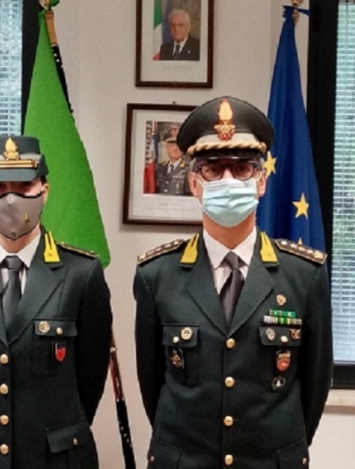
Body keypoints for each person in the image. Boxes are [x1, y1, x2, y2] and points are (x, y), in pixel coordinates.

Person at [134, 96, 333, 468]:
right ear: (194, 183)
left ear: (261, 181)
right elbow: (153, 386)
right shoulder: (157, 275)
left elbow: (314, 386)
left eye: (242, 169)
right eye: (213, 169)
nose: (228, 180)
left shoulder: (304, 275)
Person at [0, 135, 113, 468]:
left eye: (24, 186)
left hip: (54, 458)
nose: (11, 199)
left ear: (44, 190)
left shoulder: (81, 274)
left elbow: (90, 380)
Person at [155, 127, 190, 196]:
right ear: (167, 147)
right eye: (171, 145)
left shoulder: (189, 169)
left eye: (178, 145)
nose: (175, 148)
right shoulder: (159, 168)